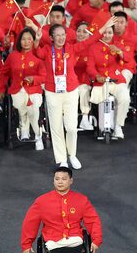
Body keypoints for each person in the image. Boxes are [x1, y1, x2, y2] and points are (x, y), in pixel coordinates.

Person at [28, 16, 117, 169]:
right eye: (57, 35)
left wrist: (104, 26)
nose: (61, 37)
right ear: (51, 38)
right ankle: (61, 159)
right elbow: (37, 53)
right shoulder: (47, 50)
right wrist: (36, 40)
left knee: (70, 127)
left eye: (63, 34)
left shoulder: (71, 48)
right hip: (52, 91)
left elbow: (90, 40)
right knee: (56, 127)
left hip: (70, 90)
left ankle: (72, 154)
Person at [20, 166, 102, 253]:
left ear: (71, 181)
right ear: (53, 180)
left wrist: (96, 240)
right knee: (52, 244)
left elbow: (93, 220)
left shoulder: (81, 200)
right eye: (57, 179)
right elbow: (30, 222)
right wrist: (26, 244)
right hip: (52, 240)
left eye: (64, 179)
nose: (60, 182)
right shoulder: (42, 201)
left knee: (80, 242)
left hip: (75, 239)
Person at [0, 28, 46, 149]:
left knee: (34, 108)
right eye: (23, 39)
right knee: (22, 106)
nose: (26, 42)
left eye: (29, 39)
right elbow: (3, 73)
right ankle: (24, 128)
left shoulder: (38, 55)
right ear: (19, 41)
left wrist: (34, 79)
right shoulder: (13, 56)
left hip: (34, 89)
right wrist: (1, 89)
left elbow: (44, 76)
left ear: (33, 40)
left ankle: (37, 135)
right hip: (17, 89)